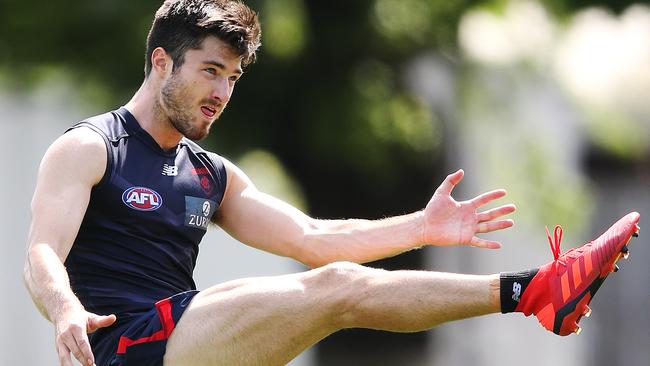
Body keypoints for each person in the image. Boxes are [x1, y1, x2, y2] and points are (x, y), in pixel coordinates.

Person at [23, 1, 641, 365]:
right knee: (339, 289)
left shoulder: (209, 174)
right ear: (161, 62)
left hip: (180, 336)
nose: (221, 93)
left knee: (339, 286)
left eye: (232, 77)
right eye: (210, 71)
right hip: (121, 345)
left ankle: (537, 294)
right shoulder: (90, 148)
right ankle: (539, 291)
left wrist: (421, 227)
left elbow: (313, 237)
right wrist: (65, 309)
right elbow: (41, 255)